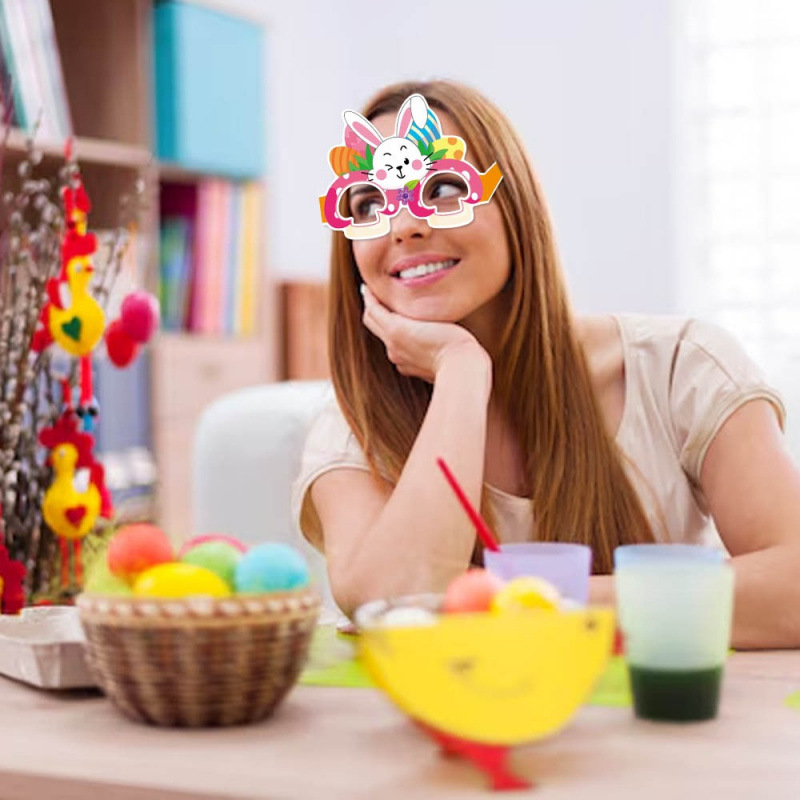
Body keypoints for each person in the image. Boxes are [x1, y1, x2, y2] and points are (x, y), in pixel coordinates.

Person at [291, 79, 800, 648]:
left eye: (442, 189)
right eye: (368, 204)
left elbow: (793, 592)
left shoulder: (680, 366)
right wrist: (461, 372)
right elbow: (397, 600)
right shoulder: (353, 423)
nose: (404, 225)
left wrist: (515, 598)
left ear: (515, 204)